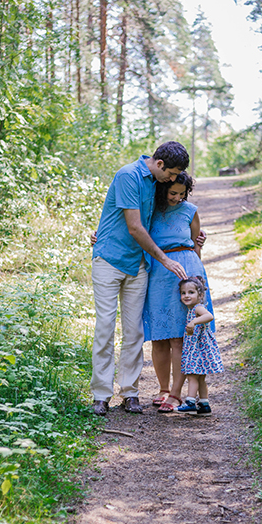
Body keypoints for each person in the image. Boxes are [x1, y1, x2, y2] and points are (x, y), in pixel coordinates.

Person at [90, 141, 190, 416]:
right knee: (105, 328)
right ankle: (101, 394)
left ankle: (130, 393)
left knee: (134, 332)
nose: (172, 180)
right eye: (170, 174)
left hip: (138, 265)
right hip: (110, 260)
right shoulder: (128, 176)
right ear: (159, 164)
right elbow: (134, 227)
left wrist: (193, 237)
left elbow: (173, 208)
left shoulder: (157, 182)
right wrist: (165, 259)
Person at [142, 172, 214, 413]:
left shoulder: (190, 210)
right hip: (158, 272)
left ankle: (176, 393)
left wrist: (196, 279)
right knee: (159, 336)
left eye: (182, 194)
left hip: (186, 271)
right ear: (163, 189)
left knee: (180, 337)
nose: (177, 198)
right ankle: (163, 389)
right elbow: (131, 231)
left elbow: (196, 246)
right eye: (173, 193)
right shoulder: (149, 208)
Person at [175, 276, 224, 416]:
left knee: (191, 375)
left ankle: (190, 403)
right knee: (200, 377)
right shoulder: (192, 309)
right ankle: (204, 404)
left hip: (198, 349)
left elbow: (209, 316)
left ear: (200, 295)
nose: (186, 296)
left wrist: (193, 322)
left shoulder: (198, 308)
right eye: (183, 293)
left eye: (191, 292)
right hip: (198, 349)